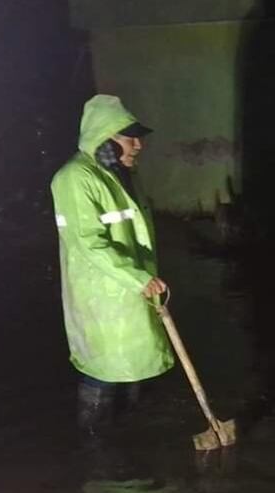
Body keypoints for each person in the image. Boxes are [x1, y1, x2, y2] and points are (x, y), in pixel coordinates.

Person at [51, 95, 174, 431]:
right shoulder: (74, 178)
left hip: (134, 291)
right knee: (103, 371)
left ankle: (130, 440)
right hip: (102, 298)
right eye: (128, 137)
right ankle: (95, 447)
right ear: (103, 138)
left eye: (139, 137)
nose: (139, 145)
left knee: (135, 367)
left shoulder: (123, 174)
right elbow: (88, 242)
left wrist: (142, 280)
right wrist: (138, 278)